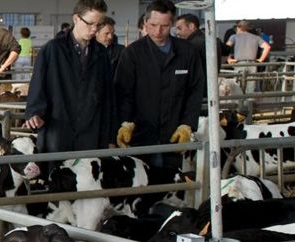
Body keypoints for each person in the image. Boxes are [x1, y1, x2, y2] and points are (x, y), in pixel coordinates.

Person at [113, 0, 204, 169]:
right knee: (142, 185)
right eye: (153, 25)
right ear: (145, 23)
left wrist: (187, 124)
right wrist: (125, 123)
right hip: (140, 133)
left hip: (173, 134)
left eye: (164, 26)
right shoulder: (132, 53)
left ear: (172, 25)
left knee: (171, 184)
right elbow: (123, 92)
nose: (158, 31)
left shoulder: (187, 52)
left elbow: (195, 90)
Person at [25, 0, 115, 161]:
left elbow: (107, 96)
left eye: (99, 25)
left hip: (91, 132)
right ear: (76, 19)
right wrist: (34, 112)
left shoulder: (101, 54)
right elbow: (38, 85)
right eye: (90, 23)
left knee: (89, 181)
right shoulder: (52, 50)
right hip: (58, 129)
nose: (94, 29)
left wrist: (109, 137)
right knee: (59, 179)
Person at [226, 20, 270, 92]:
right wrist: (260, 60)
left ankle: (239, 102)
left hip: (239, 64)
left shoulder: (234, 37)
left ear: (238, 27)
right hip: (252, 64)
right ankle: (249, 102)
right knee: (250, 87)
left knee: (238, 87)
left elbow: (226, 47)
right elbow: (267, 47)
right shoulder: (256, 37)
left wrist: (228, 58)